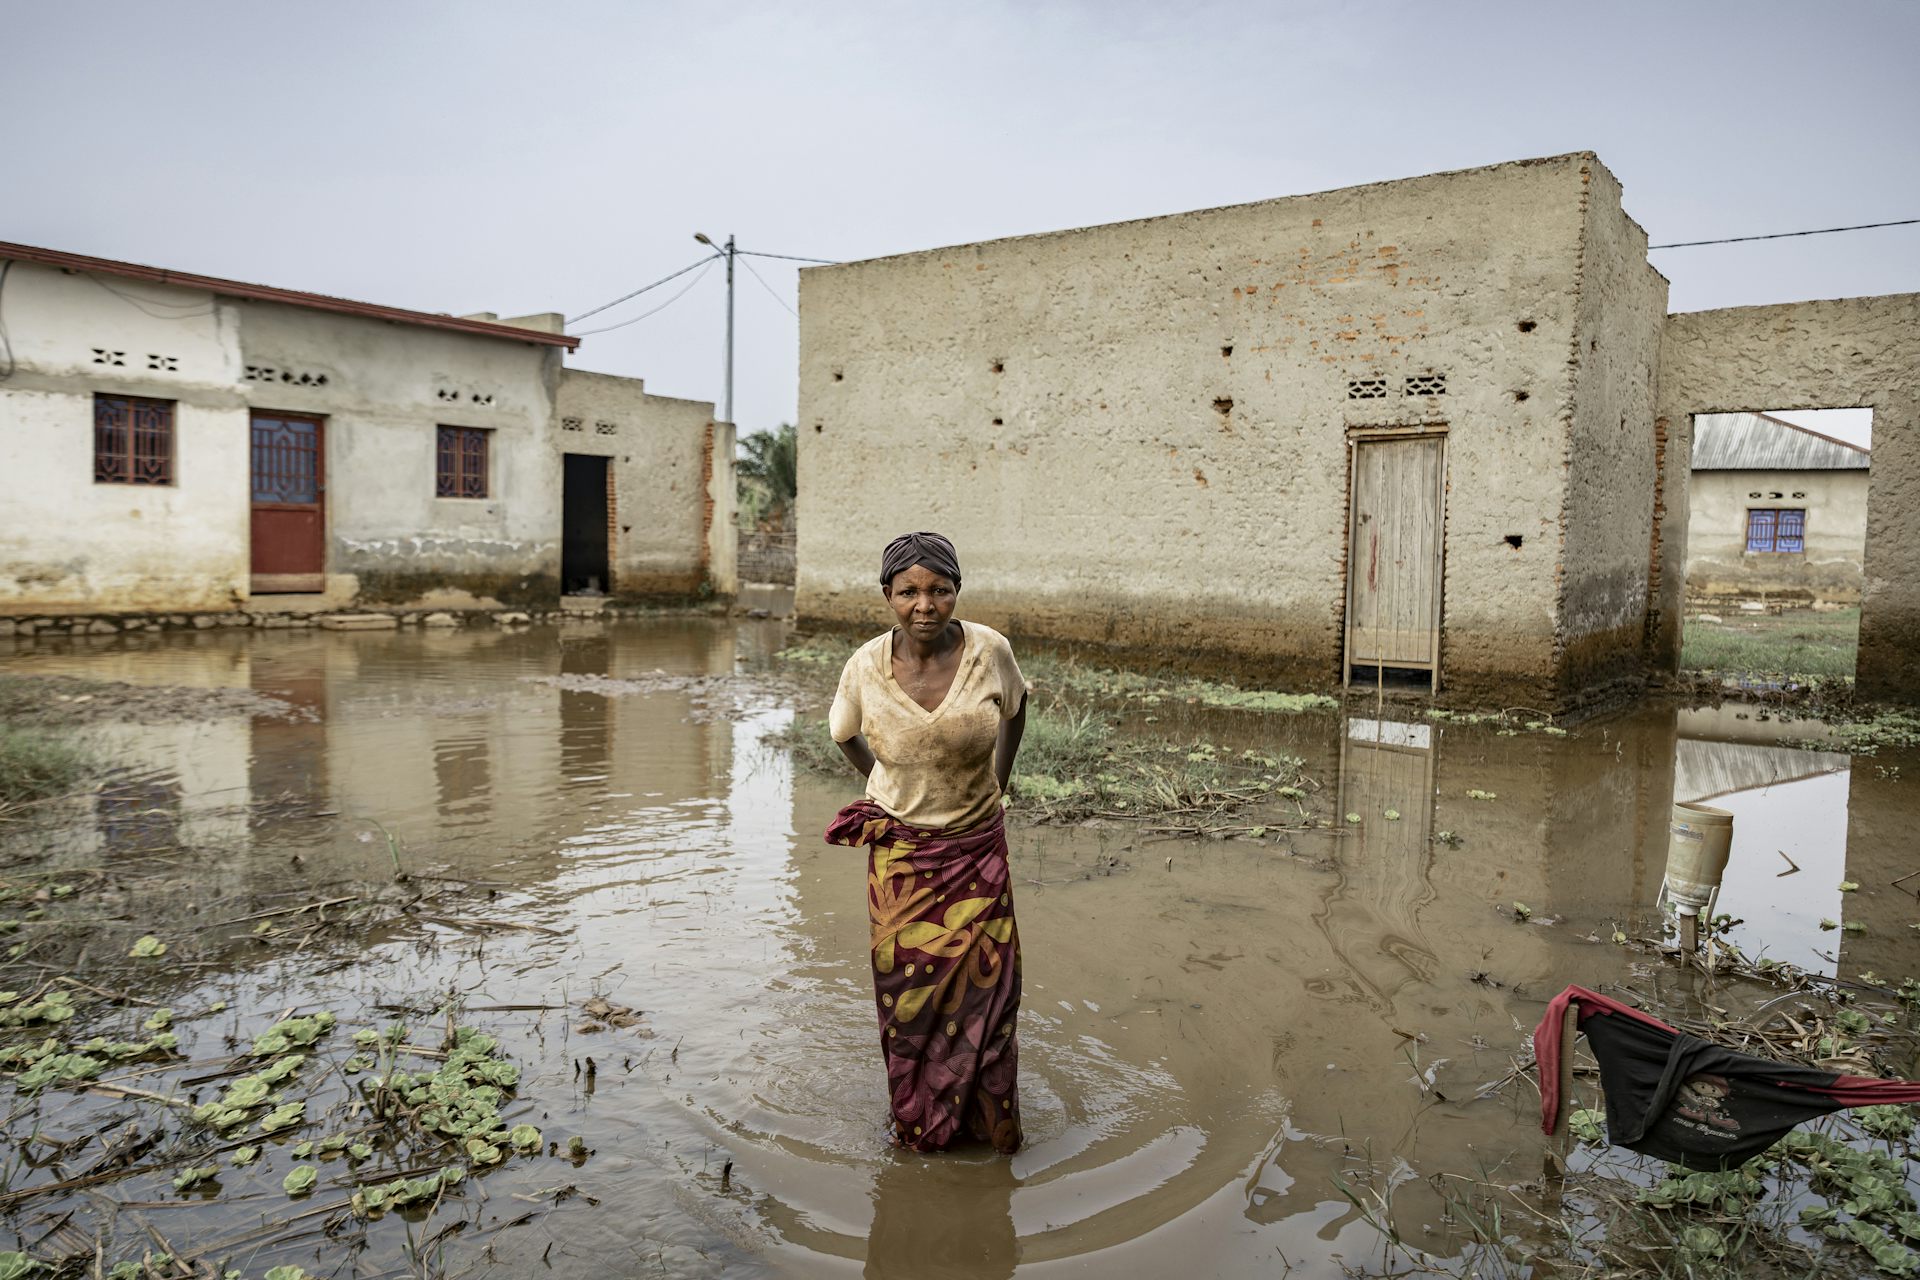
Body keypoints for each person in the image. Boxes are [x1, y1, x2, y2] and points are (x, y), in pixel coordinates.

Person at [824, 531, 1028, 1154]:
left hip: (978, 852)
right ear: (887, 596)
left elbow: (1016, 711)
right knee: (909, 1002)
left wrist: (999, 781)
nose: (925, 604)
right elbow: (843, 735)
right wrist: (886, 789)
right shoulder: (864, 666)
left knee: (990, 999)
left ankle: (988, 1129)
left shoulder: (989, 650)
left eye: (939, 589)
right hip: (904, 863)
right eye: (908, 591)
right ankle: (921, 1123)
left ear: (956, 592)